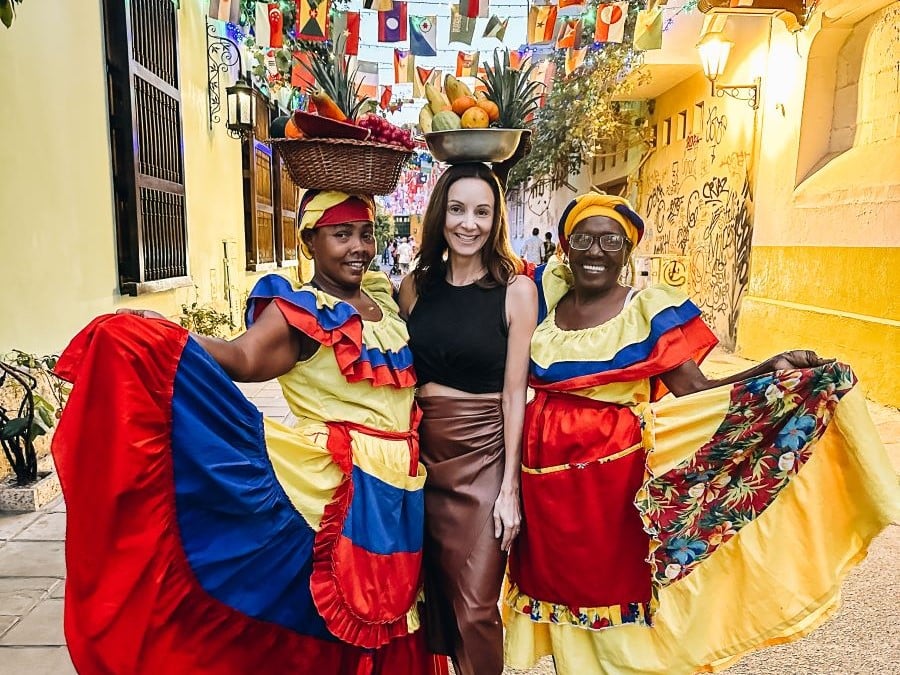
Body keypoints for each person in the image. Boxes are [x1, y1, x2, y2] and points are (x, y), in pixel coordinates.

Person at [504, 193, 900, 675]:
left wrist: (766, 371)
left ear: (628, 252)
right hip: (545, 488)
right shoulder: (546, 302)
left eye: (610, 240)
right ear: (566, 248)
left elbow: (695, 390)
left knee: (616, 601)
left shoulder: (644, 309)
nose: (595, 251)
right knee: (561, 604)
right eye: (583, 239)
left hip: (614, 488)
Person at [52, 190, 443, 675]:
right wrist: (172, 336)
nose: (357, 247)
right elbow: (244, 357)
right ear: (309, 242)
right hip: (330, 489)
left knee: (391, 608)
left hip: (398, 486)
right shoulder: (299, 310)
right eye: (341, 235)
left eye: (365, 233)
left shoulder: (384, 297)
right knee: (320, 616)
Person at [398, 162, 538, 675]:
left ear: (496, 219)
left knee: (477, 606)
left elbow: (514, 394)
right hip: (423, 462)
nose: (468, 223)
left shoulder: (516, 291)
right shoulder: (414, 288)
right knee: (433, 602)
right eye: (457, 209)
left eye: (482, 212)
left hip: (483, 460)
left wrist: (509, 490)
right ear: (441, 214)